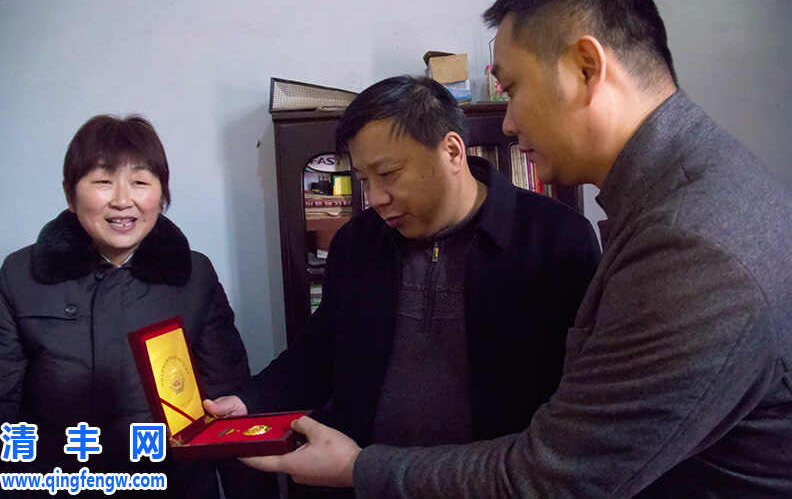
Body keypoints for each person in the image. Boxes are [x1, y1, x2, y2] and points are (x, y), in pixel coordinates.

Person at [239, 0, 792, 497]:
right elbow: (319, 352)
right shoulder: (690, 195)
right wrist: (251, 404)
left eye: (513, 87)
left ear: (586, 68)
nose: (507, 121)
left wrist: (361, 469)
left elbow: (558, 476)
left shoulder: (687, 248)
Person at [206, 76, 601, 496]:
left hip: (491, 485)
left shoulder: (555, 239)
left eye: (388, 174)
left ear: (452, 151)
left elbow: (581, 396)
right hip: (363, 481)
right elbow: (319, 351)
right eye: (364, 179)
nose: (375, 198)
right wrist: (249, 401)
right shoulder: (357, 242)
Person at [0, 115, 256, 498]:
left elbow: (228, 401)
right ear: (70, 194)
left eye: (140, 182)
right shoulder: (21, 275)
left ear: (161, 194)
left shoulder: (194, 275)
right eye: (103, 181)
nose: (121, 200)